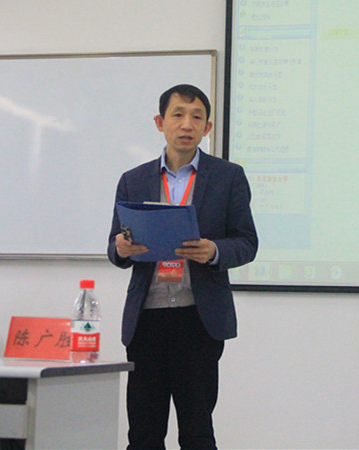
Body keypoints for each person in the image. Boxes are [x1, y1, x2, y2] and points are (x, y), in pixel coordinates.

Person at [108, 84, 258, 450]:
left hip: (198, 320)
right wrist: (122, 248)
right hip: (147, 320)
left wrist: (214, 250)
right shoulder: (133, 179)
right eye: (177, 115)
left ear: (207, 128)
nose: (186, 124)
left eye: (196, 117)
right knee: (143, 435)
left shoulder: (228, 177)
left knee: (197, 433)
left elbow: (246, 242)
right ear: (160, 122)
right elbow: (115, 247)